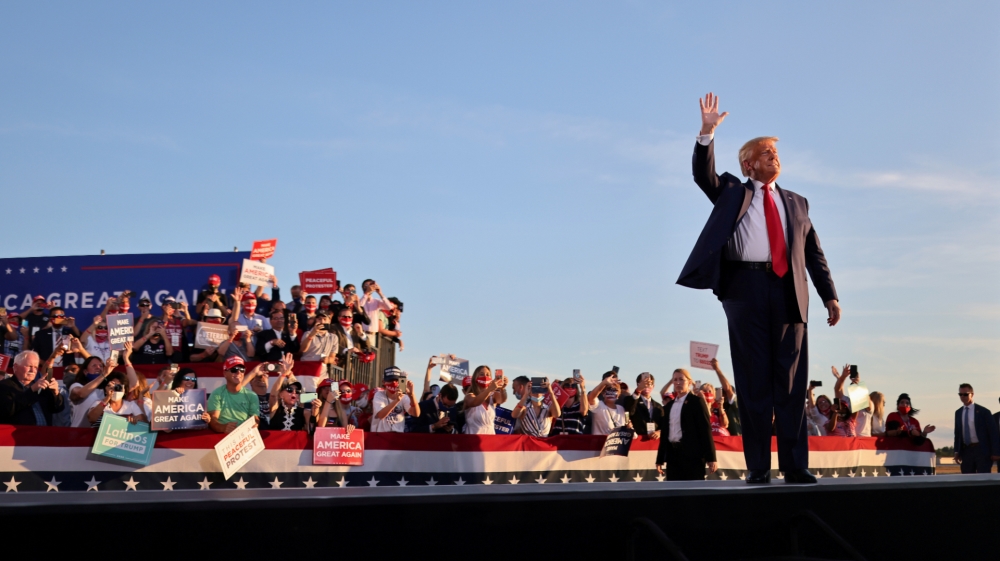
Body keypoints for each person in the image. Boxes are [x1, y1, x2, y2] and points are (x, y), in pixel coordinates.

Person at [677, 93, 840, 484]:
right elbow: (703, 176)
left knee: (791, 382)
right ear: (748, 164)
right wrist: (706, 133)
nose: (774, 157)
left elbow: (813, 252)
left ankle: (795, 466)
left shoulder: (797, 202)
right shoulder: (733, 190)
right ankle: (758, 467)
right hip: (744, 289)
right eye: (766, 153)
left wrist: (829, 295)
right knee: (753, 382)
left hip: (790, 291)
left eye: (776, 153)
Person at [656, 368, 718, 481]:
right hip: (673, 456)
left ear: (689, 382)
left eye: (681, 379)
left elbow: (705, 430)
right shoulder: (669, 406)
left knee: (693, 490)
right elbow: (665, 433)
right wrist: (660, 459)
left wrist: (711, 458)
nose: (678, 383)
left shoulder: (697, 402)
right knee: (674, 490)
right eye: (675, 380)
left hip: (692, 456)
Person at [0, 351, 64, 425]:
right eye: (29, 366)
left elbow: (57, 409)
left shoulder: (41, 386)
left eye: (35, 367)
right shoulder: (4, 385)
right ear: (16, 367)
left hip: (44, 431)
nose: (33, 370)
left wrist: (55, 393)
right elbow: (6, 410)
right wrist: (32, 390)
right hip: (20, 431)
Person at [953, 383, 1000, 474]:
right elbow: (957, 434)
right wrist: (956, 452)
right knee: (967, 478)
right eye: (960, 394)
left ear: (972, 394)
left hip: (982, 450)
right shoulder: (958, 412)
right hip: (966, 451)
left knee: (983, 477)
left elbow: (993, 433)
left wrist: (996, 452)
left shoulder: (984, 412)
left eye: (965, 394)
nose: (963, 397)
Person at [207, 356, 261, 433]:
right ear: (225, 373)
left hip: (244, 435)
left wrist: (255, 423)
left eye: (242, 369)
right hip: (222, 436)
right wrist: (223, 428)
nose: (239, 372)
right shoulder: (217, 393)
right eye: (234, 370)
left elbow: (255, 418)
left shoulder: (252, 395)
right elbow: (213, 419)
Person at [371, 367, 419, 433]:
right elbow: (381, 415)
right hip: (380, 435)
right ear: (383, 382)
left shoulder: (404, 396)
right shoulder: (379, 394)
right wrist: (397, 400)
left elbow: (416, 414)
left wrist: (412, 395)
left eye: (396, 380)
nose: (393, 383)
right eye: (390, 380)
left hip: (398, 435)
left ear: (401, 381)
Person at [462, 366, 507, 435]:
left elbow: (502, 400)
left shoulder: (492, 396)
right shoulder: (469, 396)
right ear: (475, 377)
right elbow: (475, 402)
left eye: (487, 374)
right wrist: (489, 389)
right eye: (482, 374)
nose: (485, 377)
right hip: (473, 438)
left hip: (490, 438)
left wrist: (502, 388)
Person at [68, 356, 111, 427]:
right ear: (85, 371)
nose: (98, 367)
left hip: (100, 431)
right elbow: (80, 394)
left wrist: (126, 359)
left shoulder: (107, 389)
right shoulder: (76, 385)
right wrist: (104, 374)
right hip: (79, 431)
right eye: (94, 365)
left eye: (101, 366)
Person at [621, 372, 663, 439]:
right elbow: (629, 412)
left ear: (653, 386)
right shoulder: (630, 400)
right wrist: (638, 390)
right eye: (643, 383)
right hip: (636, 440)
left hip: (653, 442)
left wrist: (659, 432)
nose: (646, 386)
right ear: (638, 384)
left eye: (649, 383)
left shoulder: (658, 406)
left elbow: (663, 424)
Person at [266, 367, 310, 432]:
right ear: (281, 394)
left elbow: (312, 431)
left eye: (297, 391)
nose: (294, 392)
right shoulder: (275, 409)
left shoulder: (305, 413)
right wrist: (283, 375)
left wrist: (290, 375)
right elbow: (273, 396)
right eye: (290, 390)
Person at [358, 280, 395, 347]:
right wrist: (366, 293)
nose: (369, 287)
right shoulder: (360, 300)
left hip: (373, 334)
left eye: (371, 285)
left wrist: (380, 293)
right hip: (362, 333)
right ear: (363, 287)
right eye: (366, 285)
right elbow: (359, 306)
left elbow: (389, 307)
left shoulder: (376, 301)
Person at [710, 358, 741, 436]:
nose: (722, 395)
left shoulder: (733, 405)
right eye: (721, 393)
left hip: (735, 440)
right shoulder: (713, 408)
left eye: (724, 393)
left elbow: (727, 388)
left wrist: (717, 369)